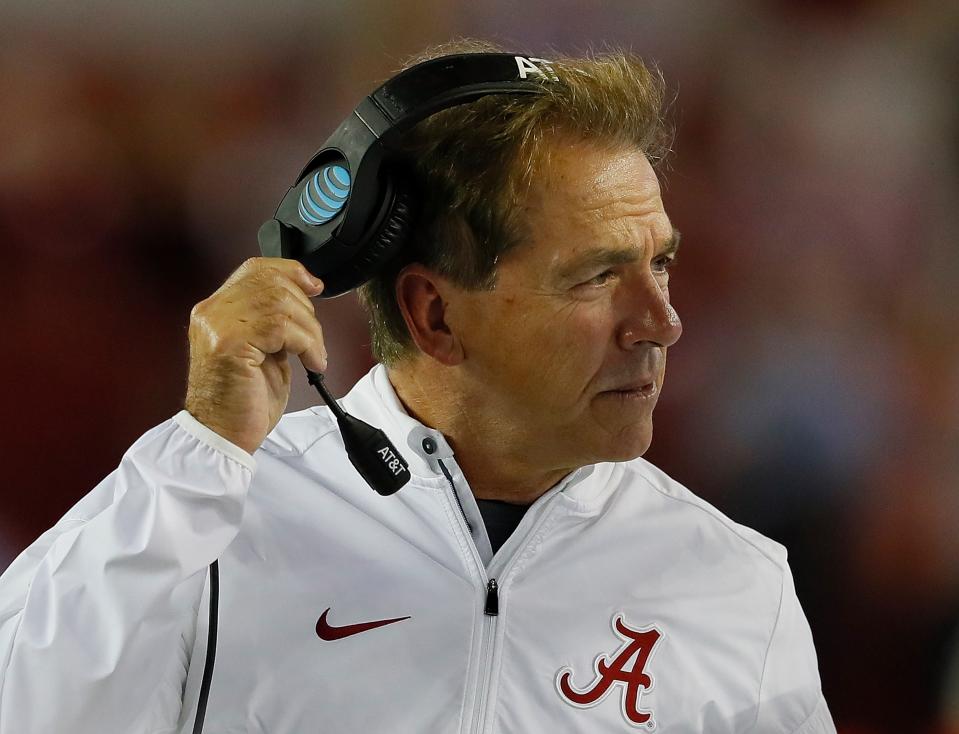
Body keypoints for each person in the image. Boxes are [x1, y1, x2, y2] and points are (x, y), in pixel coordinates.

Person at [0, 41, 835, 733]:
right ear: (433, 313)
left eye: (659, 263)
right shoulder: (205, 530)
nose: (661, 320)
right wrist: (199, 458)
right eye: (595, 278)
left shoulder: (736, 586)